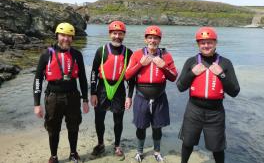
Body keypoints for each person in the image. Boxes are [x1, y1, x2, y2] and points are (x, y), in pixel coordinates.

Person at [176, 27, 240, 163]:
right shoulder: (191, 62)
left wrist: (221, 74)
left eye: (209, 42)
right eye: (202, 43)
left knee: (217, 147)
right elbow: (180, 86)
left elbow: (235, 91)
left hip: (215, 112)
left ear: (215, 43)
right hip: (194, 110)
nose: (206, 45)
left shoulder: (225, 63)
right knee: (187, 142)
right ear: (198, 45)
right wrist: (192, 73)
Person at [33, 22, 89, 163]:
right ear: (57, 35)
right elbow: (38, 79)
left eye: (69, 36)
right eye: (63, 35)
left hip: (73, 96)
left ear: (73, 38)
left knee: (74, 126)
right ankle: (54, 156)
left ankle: (73, 153)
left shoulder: (77, 55)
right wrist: (36, 104)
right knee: (53, 128)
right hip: (53, 97)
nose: (66, 39)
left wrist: (85, 100)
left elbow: (82, 79)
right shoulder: (47, 54)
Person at [125, 25, 178, 162]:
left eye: (155, 38)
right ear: (145, 39)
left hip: (159, 97)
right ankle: (140, 151)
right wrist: (140, 64)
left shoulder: (166, 55)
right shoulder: (137, 55)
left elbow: (173, 77)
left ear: (159, 40)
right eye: (150, 37)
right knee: (140, 127)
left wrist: (164, 67)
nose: (152, 40)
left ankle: (157, 151)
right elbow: (127, 76)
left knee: (157, 127)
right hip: (141, 97)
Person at [90, 20, 134, 159]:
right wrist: (92, 93)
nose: (117, 36)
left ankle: (117, 145)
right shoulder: (101, 51)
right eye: (114, 33)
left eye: (120, 34)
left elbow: (131, 78)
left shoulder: (128, 53)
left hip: (119, 89)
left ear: (124, 35)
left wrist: (129, 96)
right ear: (110, 34)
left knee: (118, 120)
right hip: (102, 88)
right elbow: (93, 73)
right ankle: (101, 144)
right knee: (99, 119)